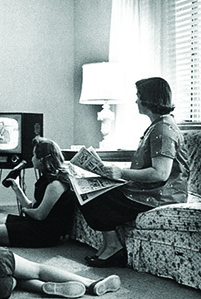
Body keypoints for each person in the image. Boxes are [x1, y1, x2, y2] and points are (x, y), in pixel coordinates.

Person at [78, 77, 189, 268]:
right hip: (148, 190)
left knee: (93, 196)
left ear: (149, 98)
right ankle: (109, 245)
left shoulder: (163, 129)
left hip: (160, 196)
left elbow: (160, 174)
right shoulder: (157, 126)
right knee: (87, 190)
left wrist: (121, 173)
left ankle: (113, 248)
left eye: (138, 96)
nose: (136, 101)